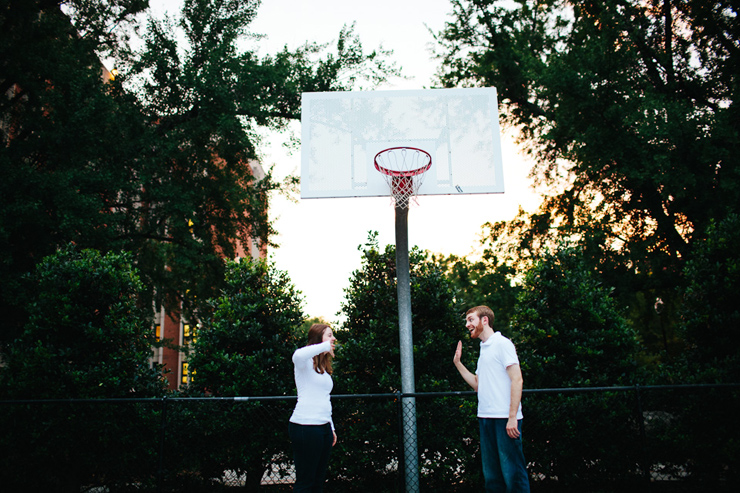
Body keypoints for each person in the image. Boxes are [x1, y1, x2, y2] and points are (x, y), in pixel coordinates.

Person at [453, 305, 530, 493]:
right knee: (492, 478)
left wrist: (512, 417)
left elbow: (517, 379)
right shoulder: (485, 348)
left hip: (505, 420)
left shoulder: (502, 344)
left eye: (471, 319)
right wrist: (458, 364)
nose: (467, 324)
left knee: (514, 476)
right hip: (486, 418)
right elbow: (478, 384)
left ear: (484, 320)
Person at [289, 323, 338, 492]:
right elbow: (297, 355)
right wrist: (323, 347)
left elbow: (324, 399)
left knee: (318, 481)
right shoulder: (304, 363)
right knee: (306, 482)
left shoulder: (322, 368)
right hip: (305, 427)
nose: (333, 339)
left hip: (323, 428)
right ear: (319, 340)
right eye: (329, 335)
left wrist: (330, 426)